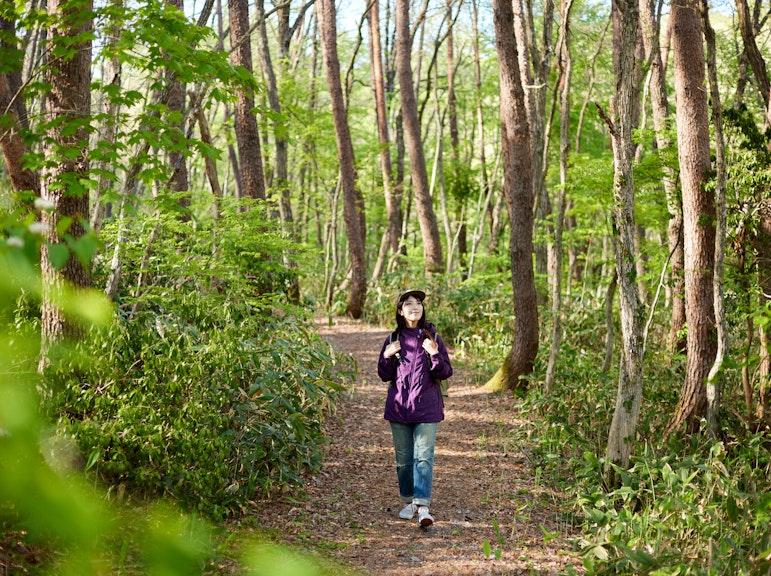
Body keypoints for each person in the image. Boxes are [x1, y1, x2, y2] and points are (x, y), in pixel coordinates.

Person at [377, 289, 453, 527]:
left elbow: (445, 371)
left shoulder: (432, 337)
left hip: (427, 407)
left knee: (423, 458)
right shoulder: (393, 339)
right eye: (408, 303)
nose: (414, 306)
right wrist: (386, 357)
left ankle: (423, 506)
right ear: (401, 311)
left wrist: (435, 355)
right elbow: (384, 374)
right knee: (403, 460)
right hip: (399, 408)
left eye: (418, 303)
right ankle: (409, 501)